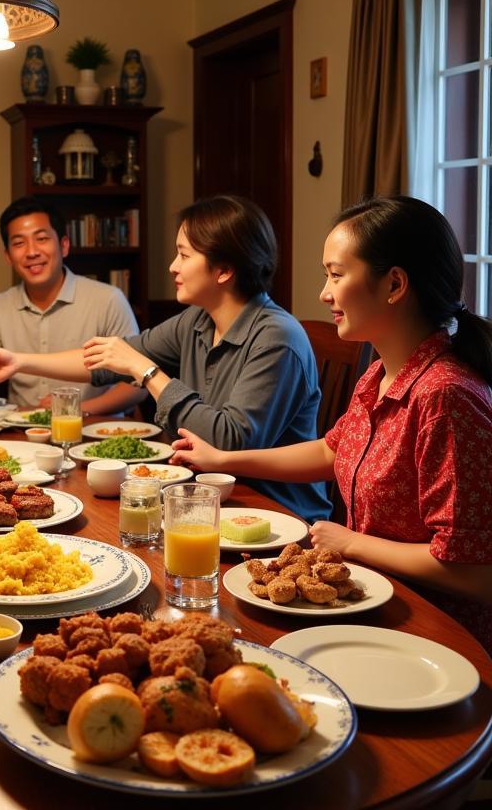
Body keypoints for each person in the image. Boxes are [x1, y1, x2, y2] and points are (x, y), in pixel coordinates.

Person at [171, 196, 492, 650]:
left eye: (336, 275)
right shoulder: (380, 373)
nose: (324, 293)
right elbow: (331, 450)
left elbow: (476, 573)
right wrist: (223, 457)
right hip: (370, 605)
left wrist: (352, 543)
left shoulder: (445, 395)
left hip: (438, 636)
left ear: (394, 284)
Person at [0, 195, 328, 520]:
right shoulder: (198, 320)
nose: (173, 266)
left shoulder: (277, 336)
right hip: (201, 499)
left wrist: (146, 371)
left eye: (185, 255)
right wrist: (19, 361)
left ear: (223, 270)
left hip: (272, 513)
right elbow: (107, 358)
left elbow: (227, 442)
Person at [0, 198, 145, 415]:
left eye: (42, 239)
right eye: (19, 243)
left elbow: (137, 386)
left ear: (64, 246)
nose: (32, 251)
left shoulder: (108, 299)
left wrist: (74, 410)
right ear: (8, 256)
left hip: (95, 433)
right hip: (21, 435)